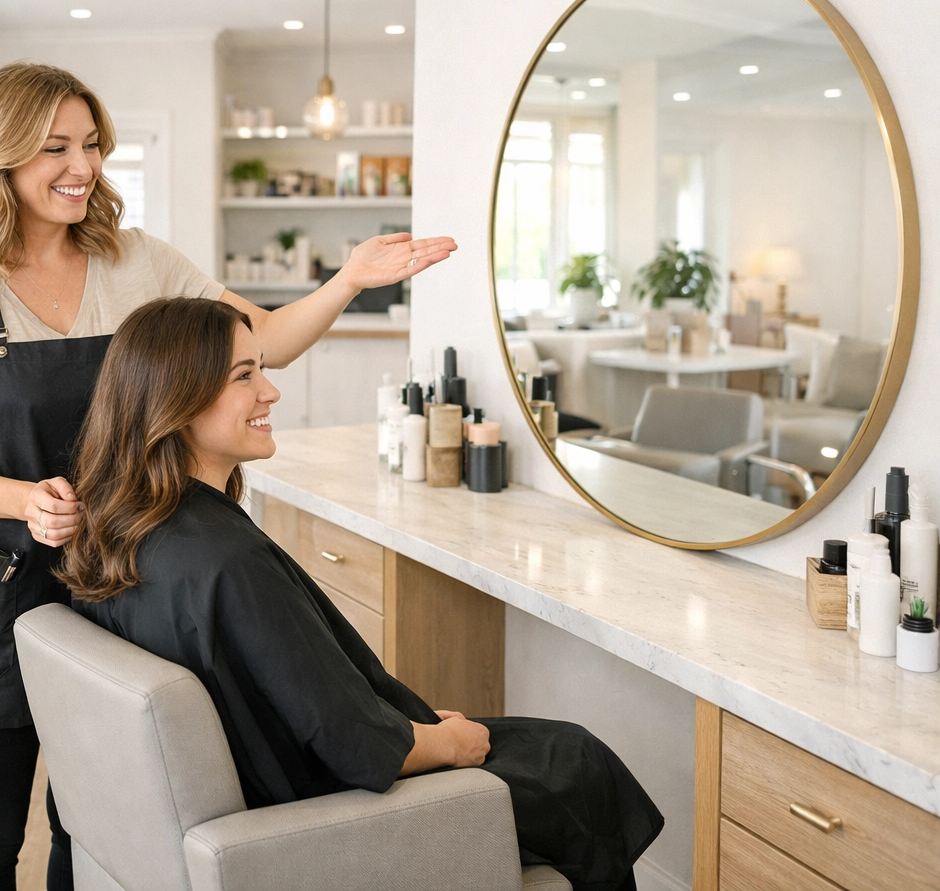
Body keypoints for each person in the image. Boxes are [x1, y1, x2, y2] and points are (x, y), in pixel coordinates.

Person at [0, 60, 457, 891]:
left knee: (89, 825)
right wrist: (22, 500)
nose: (82, 168)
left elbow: (265, 337)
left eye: (91, 145)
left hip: (109, 582)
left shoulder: (134, 262)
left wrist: (349, 282)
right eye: (54, 149)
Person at [60, 297, 665, 891]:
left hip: (268, 785)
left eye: (262, 370)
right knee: (576, 761)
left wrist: (417, 725)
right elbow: (351, 743)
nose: (271, 392)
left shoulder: (123, 531)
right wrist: (442, 741)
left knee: (551, 749)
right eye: (245, 376)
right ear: (176, 399)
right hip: (326, 814)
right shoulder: (228, 562)